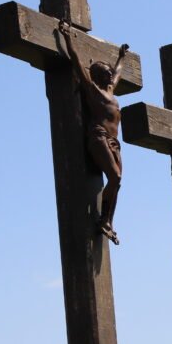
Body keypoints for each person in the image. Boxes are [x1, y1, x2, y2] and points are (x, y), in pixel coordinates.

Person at [57, 20, 129, 245]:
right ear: (97, 75)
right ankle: (103, 218)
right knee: (115, 177)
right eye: (105, 72)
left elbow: (118, 73)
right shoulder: (92, 89)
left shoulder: (110, 90)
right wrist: (68, 38)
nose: (110, 75)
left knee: (117, 182)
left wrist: (121, 57)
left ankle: (107, 220)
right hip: (98, 136)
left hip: (115, 142)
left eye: (110, 72)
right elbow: (77, 62)